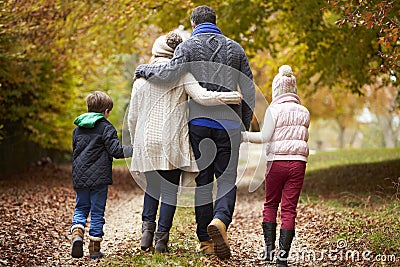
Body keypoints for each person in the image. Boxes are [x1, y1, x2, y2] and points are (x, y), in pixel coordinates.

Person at [134, 6, 255, 259]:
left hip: (199, 125)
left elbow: (167, 73)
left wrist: (144, 69)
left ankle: (205, 241)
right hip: (229, 125)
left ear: (193, 22)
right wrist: (243, 125)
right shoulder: (236, 48)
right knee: (226, 179)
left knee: (203, 182)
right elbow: (249, 89)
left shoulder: (187, 47)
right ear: (215, 22)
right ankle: (221, 220)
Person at [241, 65, 310, 267]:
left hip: (276, 163)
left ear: (276, 89)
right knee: (289, 209)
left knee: (271, 204)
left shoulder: (274, 110)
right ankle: (283, 258)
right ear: (293, 89)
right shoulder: (304, 112)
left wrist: (244, 136)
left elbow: (264, 136)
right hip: (298, 164)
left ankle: (269, 250)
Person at [70, 91, 133, 259]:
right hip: (99, 177)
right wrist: (134, 150)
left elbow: (75, 151)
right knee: (97, 211)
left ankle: (77, 233)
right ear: (105, 111)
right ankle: (94, 249)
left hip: (80, 176)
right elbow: (116, 151)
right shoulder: (106, 127)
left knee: (81, 207)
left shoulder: (77, 129)